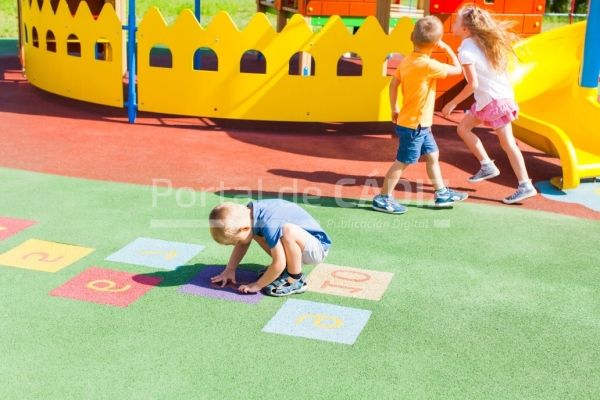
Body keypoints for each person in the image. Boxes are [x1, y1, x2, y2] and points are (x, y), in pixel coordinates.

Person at [442, 5, 537, 204]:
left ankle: (525, 184)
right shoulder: (482, 42)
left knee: (508, 144)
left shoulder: (466, 50)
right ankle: (487, 165)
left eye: (458, 21)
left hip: (494, 101)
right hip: (492, 99)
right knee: (464, 128)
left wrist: (452, 102)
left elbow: (472, 84)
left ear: (466, 29)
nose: (454, 23)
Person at [372, 16, 468, 214]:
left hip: (417, 123)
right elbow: (458, 69)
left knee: (433, 155)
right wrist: (447, 47)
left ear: (411, 37)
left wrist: (394, 107)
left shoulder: (407, 60)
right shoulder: (428, 65)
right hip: (415, 126)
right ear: (435, 43)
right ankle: (382, 197)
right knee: (403, 161)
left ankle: (441, 193)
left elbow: (393, 84)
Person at [208, 199, 331, 296]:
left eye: (237, 241)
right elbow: (244, 243)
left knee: (288, 231)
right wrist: (230, 269)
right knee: (256, 234)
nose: (237, 245)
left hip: (317, 249)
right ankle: (288, 270)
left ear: (244, 228)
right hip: (303, 247)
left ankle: (295, 279)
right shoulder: (250, 215)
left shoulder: (268, 221)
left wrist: (257, 285)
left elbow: (279, 262)